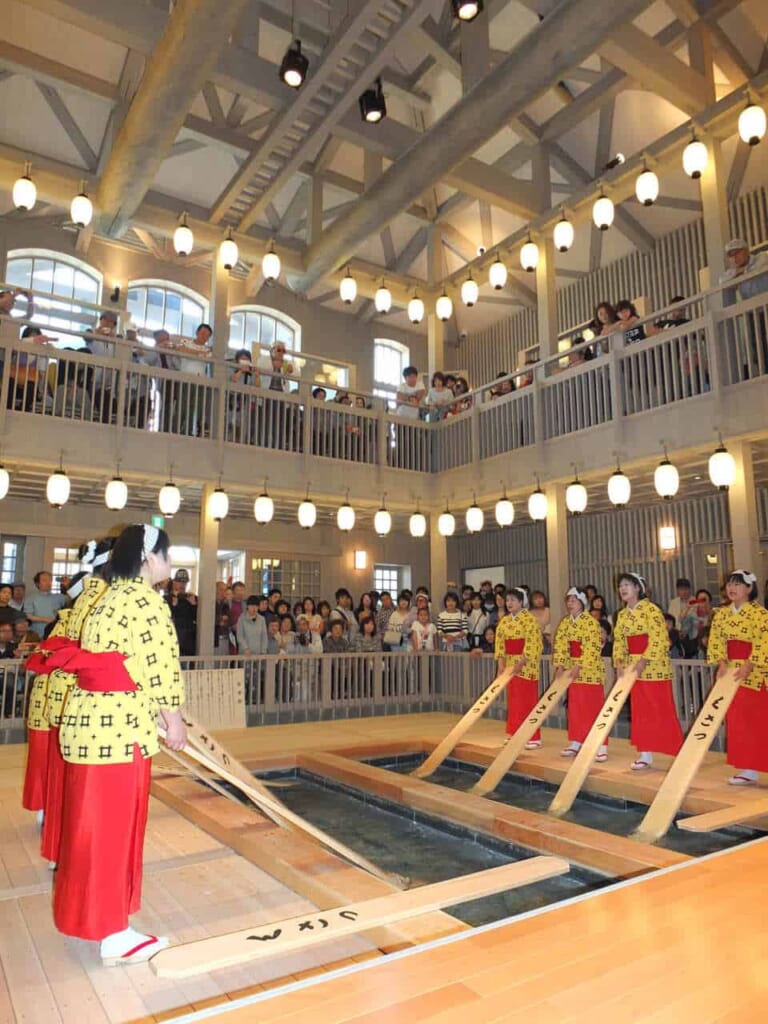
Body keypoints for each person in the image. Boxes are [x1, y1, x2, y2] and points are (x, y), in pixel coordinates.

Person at [52, 524, 186, 964]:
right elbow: (159, 666)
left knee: (92, 825)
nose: (170, 563)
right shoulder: (146, 600)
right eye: (167, 554)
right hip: (120, 730)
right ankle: (113, 932)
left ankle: (95, 919)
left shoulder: (106, 597)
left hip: (89, 722)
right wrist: (173, 719)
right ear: (149, 558)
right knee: (114, 828)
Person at [39, 539, 114, 868]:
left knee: (64, 777)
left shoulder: (84, 593)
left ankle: (58, 845)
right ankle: (69, 853)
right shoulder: (102, 598)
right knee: (81, 789)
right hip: (87, 698)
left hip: (69, 692)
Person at [613, 572, 683, 770]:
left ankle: (677, 752)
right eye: (621, 586)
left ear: (638, 588)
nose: (623, 589)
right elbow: (619, 641)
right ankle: (645, 753)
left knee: (660, 707)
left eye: (627, 585)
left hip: (653, 666)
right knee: (640, 710)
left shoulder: (652, 610)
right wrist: (619, 662)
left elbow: (659, 638)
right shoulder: (622, 614)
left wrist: (644, 659)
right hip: (632, 668)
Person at [707, 570, 768, 786]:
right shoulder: (722, 614)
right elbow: (716, 640)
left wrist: (750, 664)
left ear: (749, 588)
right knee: (737, 720)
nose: (731, 588)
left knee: (758, 719)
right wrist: (721, 662)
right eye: (729, 584)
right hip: (731, 670)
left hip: (754, 671)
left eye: (737, 584)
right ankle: (747, 767)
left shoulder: (760, 614)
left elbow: (763, 641)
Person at [552, 588, 608, 761]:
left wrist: (579, 665)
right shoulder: (565, 623)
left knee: (593, 708)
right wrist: (560, 665)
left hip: (589, 670)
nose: (570, 604)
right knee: (576, 708)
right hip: (571, 670)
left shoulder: (591, 622)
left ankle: (601, 745)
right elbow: (560, 644)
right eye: (568, 600)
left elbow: (593, 647)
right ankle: (577, 741)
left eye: (574, 601)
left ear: (582, 603)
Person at [494, 588, 543, 748]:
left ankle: (533, 737)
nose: (509, 603)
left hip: (526, 665)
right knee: (514, 701)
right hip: (510, 665)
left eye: (513, 600)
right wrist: (501, 664)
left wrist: (521, 662)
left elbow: (534, 643)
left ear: (521, 602)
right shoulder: (504, 621)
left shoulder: (530, 620)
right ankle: (513, 732)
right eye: (507, 600)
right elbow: (500, 644)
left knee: (527, 701)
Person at [166, 568, 197, 656]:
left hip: (188, 641)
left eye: (185, 582)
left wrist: (194, 605)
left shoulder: (191, 598)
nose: (182, 585)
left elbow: (198, 619)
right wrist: (173, 606)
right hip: (172, 639)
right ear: (174, 582)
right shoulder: (167, 598)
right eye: (180, 582)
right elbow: (166, 618)